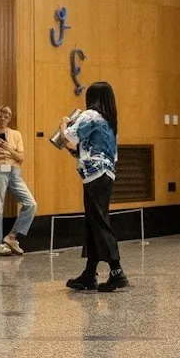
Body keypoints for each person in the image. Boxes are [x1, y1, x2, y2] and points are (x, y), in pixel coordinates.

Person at [60, 82, 127, 292]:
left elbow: (69, 137)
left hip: (94, 175)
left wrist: (64, 125)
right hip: (105, 174)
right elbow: (90, 148)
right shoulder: (109, 121)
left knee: (98, 221)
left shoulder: (90, 115)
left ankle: (117, 271)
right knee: (93, 222)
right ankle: (90, 273)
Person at [0, 106, 37, 255]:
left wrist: (8, 148)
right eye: (0, 116)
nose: (2, 119)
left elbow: (21, 158)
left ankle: (12, 236)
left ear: (9, 119)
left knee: (31, 203)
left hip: (14, 172)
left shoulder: (16, 134)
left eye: (6, 116)